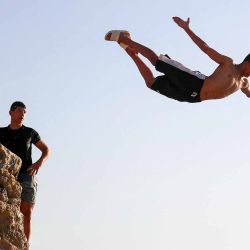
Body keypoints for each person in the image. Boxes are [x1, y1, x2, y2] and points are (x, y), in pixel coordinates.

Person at [105, 16, 250, 103]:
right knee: (157, 61)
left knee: (151, 83)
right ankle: (123, 37)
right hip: (194, 81)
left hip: (192, 97)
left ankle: (131, 53)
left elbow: (249, 93)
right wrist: (187, 29)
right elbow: (205, 48)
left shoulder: (243, 83)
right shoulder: (228, 64)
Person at [0, 101, 50, 243]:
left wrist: (38, 163)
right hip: (7, 175)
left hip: (26, 175)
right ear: (11, 112)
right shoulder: (1, 133)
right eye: (19, 111)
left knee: (26, 212)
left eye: (24, 112)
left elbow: (46, 150)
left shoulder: (30, 133)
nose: (22, 114)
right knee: (7, 209)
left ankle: (24, 244)